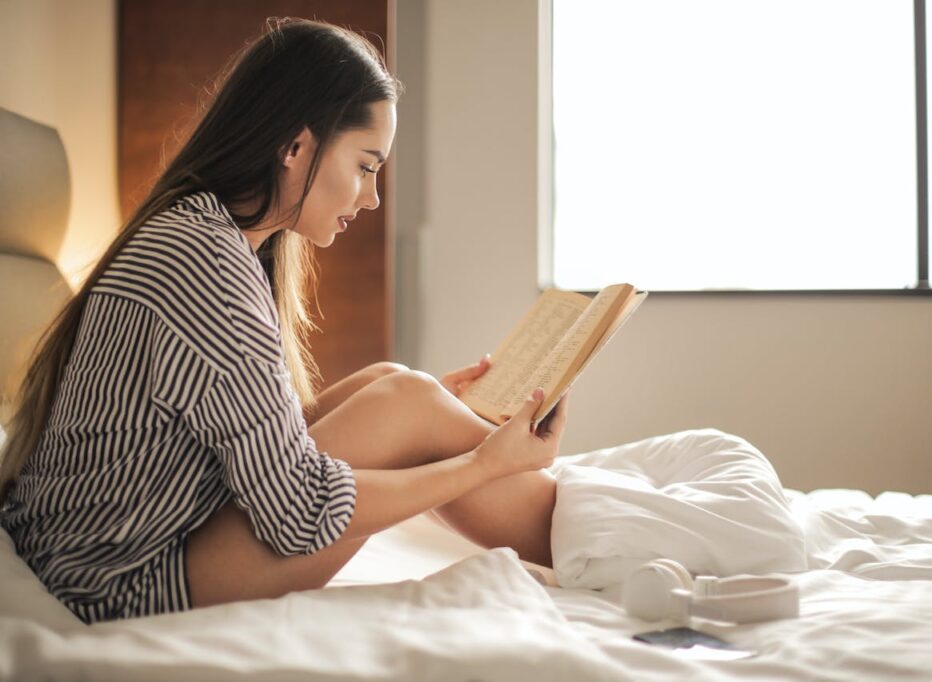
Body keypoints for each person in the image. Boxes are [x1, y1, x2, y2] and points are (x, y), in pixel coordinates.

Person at [0, 17, 568, 624]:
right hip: (117, 579)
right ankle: (597, 539)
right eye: (366, 166)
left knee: (392, 381)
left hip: (107, 545)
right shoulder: (205, 266)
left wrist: (435, 430)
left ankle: (590, 527)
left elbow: (242, 444)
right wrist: (481, 464)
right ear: (296, 147)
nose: (372, 198)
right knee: (409, 401)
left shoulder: (203, 233)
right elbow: (298, 512)